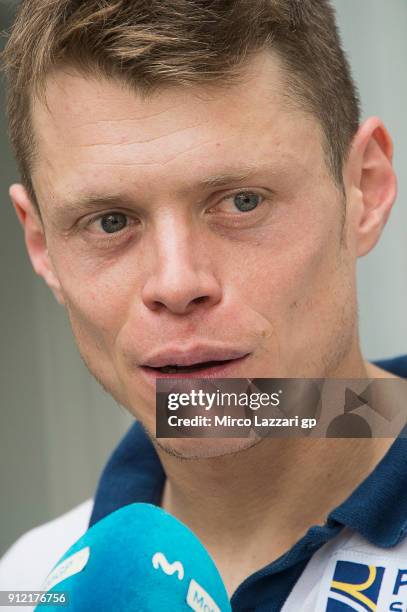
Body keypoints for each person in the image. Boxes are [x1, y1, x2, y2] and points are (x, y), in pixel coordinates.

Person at [0, 0, 406, 610]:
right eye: (110, 221)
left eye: (242, 201)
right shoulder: (29, 583)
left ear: (365, 190)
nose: (176, 282)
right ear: (42, 246)